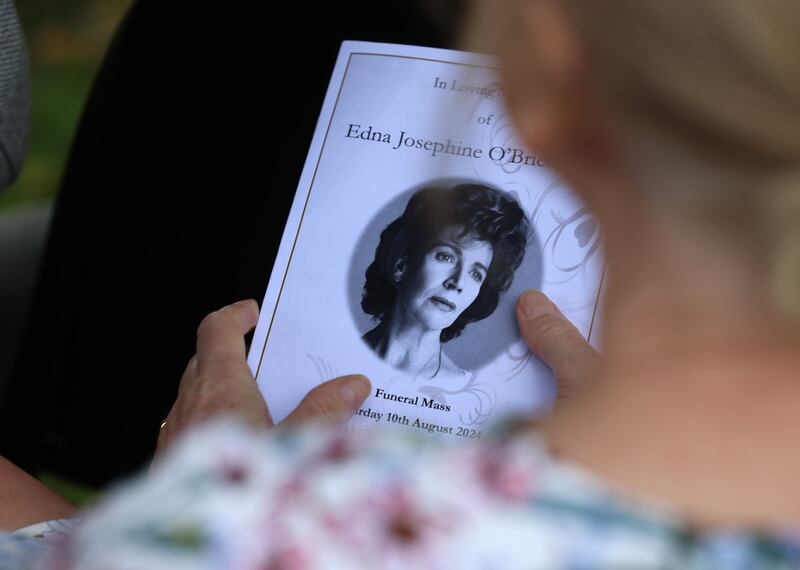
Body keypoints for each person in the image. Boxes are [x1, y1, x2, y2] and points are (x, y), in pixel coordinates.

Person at [4, 0, 800, 567]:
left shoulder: (250, 527)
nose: (456, 283)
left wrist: (201, 501)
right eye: (445, 257)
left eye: (476, 270)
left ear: (550, 71)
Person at [361, 183, 529, 378]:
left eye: (476, 274)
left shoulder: (461, 386)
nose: (458, 282)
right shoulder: (336, 354)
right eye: (446, 257)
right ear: (401, 264)